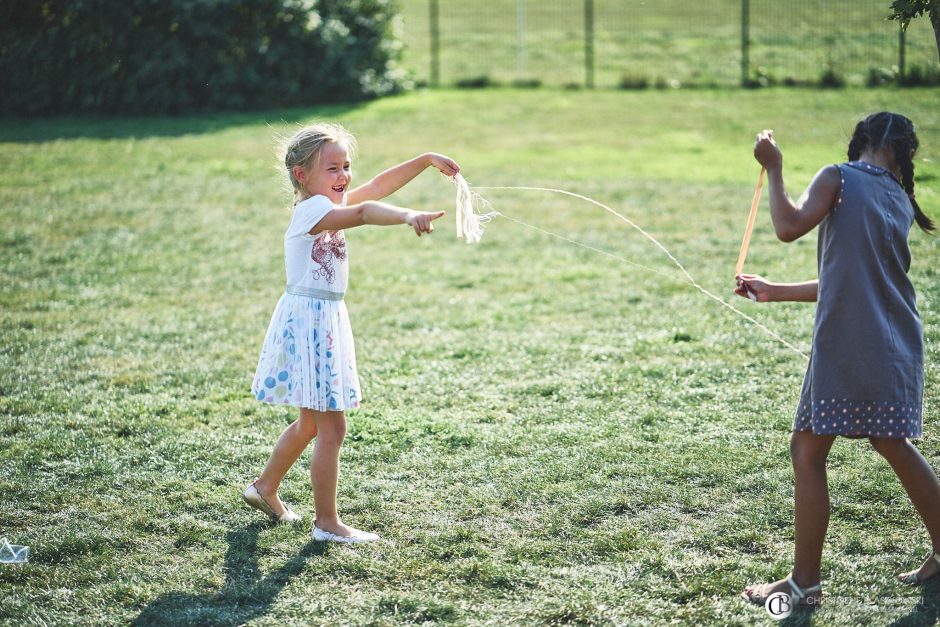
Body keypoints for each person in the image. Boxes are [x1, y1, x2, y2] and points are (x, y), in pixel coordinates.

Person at [737, 113, 938, 608]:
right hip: (894, 342)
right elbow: (852, 281)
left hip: (851, 340)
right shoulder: (898, 196)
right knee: (892, 443)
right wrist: (777, 291)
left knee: (807, 452)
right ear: (903, 153)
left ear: (861, 141)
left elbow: (787, 227)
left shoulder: (839, 177)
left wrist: (774, 166)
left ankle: (804, 582)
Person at [243, 122, 460, 543]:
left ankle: (264, 488)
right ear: (301, 175)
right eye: (332, 169)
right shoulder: (312, 211)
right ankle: (327, 524)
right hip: (312, 322)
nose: (343, 177)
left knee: (310, 423)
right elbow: (363, 212)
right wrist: (408, 216)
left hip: (319, 318)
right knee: (332, 428)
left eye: (346, 167)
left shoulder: (326, 202)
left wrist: (425, 159)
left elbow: (377, 186)